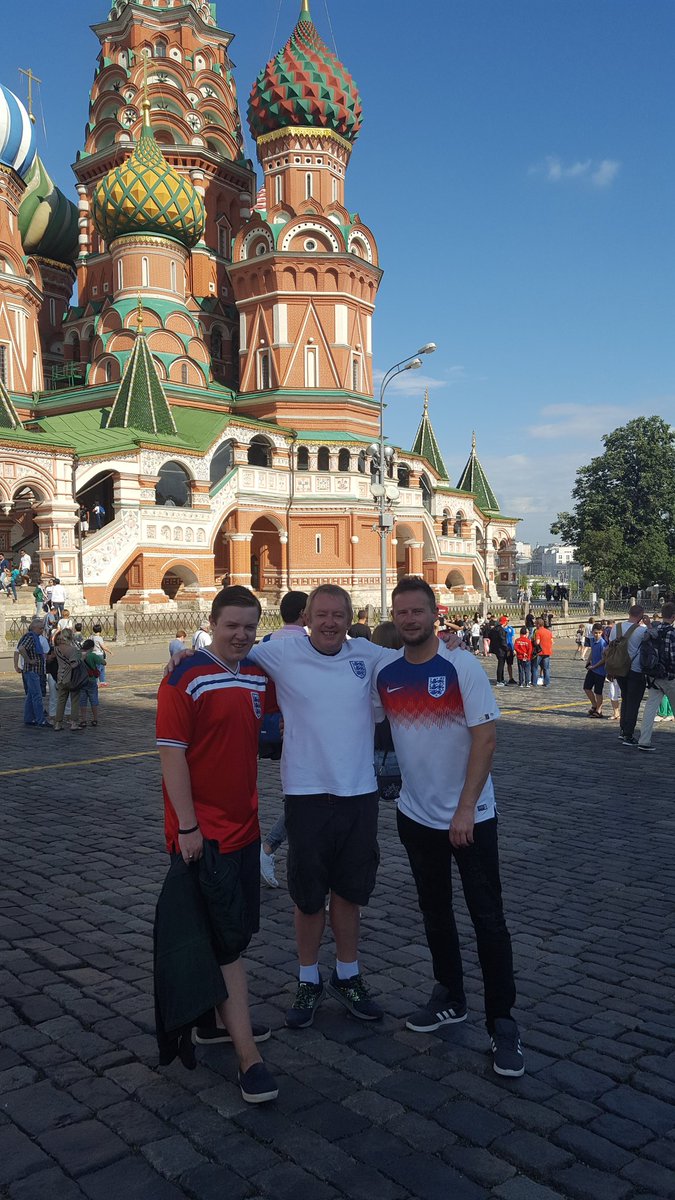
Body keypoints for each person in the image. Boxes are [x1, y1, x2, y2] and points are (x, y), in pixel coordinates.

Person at [375, 576, 523, 1077]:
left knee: (488, 920)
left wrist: (464, 809)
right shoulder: (388, 672)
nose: (410, 620)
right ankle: (450, 995)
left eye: (418, 611)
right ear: (394, 618)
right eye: (402, 613)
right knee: (434, 911)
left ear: (435, 614)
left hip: (470, 819)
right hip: (416, 817)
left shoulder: (461, 666)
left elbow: (485, 742)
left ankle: (502, 1022)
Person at [156, 586, 278, 1104]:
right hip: (205, 834)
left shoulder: (256, 673)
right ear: (212, 622)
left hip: (246, 827)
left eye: (250, 626)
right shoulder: (186, 675)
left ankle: (209, 1023)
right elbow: (172, 754)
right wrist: (187, 827)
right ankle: (248, 1057)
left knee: (232, 928)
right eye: (232, 625)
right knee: (227, 941)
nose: (242, 634)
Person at [259, 591, 309, 889]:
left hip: (273, 727)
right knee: (305, 798)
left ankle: (269, 849)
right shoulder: (309, 644)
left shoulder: (266, 642)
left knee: (299, 795)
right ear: (305, 614)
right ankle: (268, 848)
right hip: (304, 729)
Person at [607, 605, 648, 747]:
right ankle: (628, 734)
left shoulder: (616, 628)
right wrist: (648, 625)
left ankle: (623, 729)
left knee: (625, 699)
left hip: (619, 668)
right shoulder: (642, 630)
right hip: (635, 670)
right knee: (633, 703)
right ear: (641, 616)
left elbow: (610, 647)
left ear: (629, 613)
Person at [637, 602, 675, 752]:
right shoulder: (672, 633)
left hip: (653, 676)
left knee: (650, 709)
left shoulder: (653, 629)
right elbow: (673, 657)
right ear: (673, 617)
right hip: (669, 677)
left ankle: (644, 740)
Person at [14, 618, 51, 728]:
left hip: (35, 671)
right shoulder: (30, 637)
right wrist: (29, 660)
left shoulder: (34, 637)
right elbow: (21, 648)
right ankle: (41, 720)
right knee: (37, 696)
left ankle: (29, 718)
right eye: (40, 628)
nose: (42, 630)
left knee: (31, 695)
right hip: (32, 671)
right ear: (34, 628)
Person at [53, 629, 84, 731]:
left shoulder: (56, 648)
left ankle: (57, 723)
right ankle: (74, 723)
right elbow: (74, 664)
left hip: (60, 676)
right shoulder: (72, 650)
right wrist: (81, 659)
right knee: (74, 700)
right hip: (71, 677)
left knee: (61, 701)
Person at [583, 624, 607, 717]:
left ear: (602, 633)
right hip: (592, 669)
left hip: (600, 671)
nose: (597, 635)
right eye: (595, 633)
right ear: (592, 632)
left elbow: (604, 659)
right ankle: (594, 705)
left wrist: (594, 666)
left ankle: (599, 710)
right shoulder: (593, 641)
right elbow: (592, 652)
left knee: (598, 692)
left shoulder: (603, 643)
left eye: (599, 633)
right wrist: (588, 662)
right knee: (586, 688)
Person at [79, 638, 104, 727]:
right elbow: (103, 662)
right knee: (93, 700)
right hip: (92, 679)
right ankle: (95, 719)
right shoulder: (93, 655)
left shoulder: (79, 654)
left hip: (81, 680)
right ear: (92, 647)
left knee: (82, 701)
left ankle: (83, 720)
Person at [487, 616, 508, 687]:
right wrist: (507, 649)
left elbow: (489, 635)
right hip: (501, 649)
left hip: (495, 648)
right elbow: (503, 641)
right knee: (501, 665)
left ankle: (501, 679)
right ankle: (499, 680)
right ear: (504, 622)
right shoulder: (501, 630)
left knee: (501, 664)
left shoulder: (494, 629)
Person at [532, 617, 553, 686]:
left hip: (539, 652)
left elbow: (537, 642)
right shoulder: (549, 632)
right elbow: (552, 641)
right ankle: (547, 683)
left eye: (535, 624)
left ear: (538, 624)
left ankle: (534, 682)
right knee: (546, 668)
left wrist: (533, 642)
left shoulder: (538, 632)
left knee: (535, 667)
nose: (535, 625)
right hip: (547, 652)